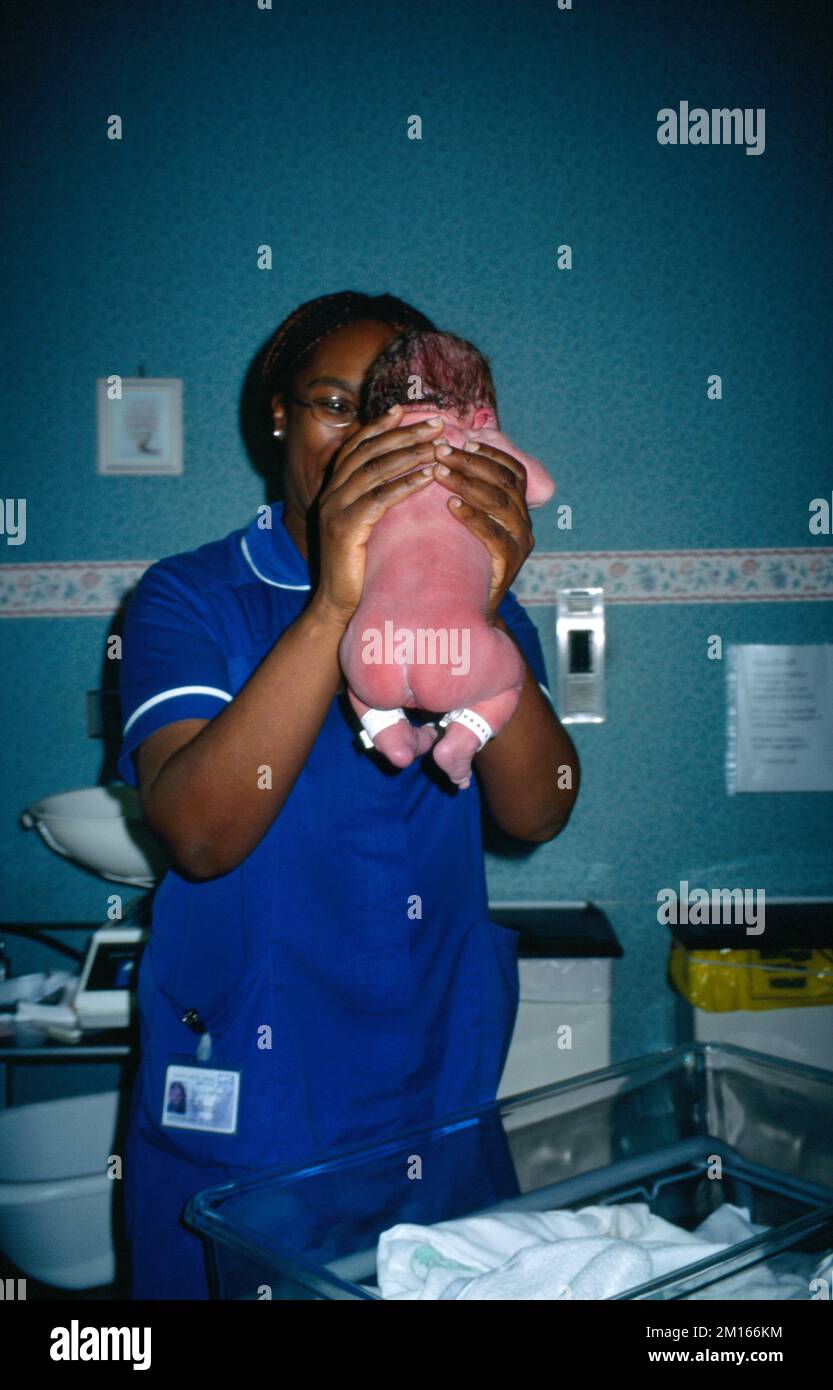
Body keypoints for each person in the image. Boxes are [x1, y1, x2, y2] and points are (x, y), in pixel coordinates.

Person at [117, 290, 580, 1299]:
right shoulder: (188, 598)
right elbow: (199, 835)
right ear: (278, 415)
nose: (367, 440)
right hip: (256, 1087)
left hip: (430, 1082)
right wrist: (335, 600)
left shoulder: (468, 599)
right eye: (336, 404)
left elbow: (539, 806)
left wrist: (482, 602)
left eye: (394, 412)